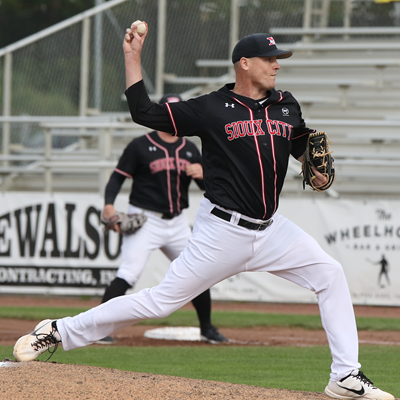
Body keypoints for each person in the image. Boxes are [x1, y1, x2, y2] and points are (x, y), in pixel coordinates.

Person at [13, 24, 394, 400]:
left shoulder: (286, 105)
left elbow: (302, 148)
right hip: (222, 231)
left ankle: (345, 376)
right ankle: (59, 331)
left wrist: (316, 169)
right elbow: (143, 111)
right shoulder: (212, 108)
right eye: (269, 59)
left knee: (330, 274)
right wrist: (132, 57)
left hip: (272, 229)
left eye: (279, 59)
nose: (277, 65)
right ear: (243, 63)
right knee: (160, 302)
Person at [97, 93, 227, 344]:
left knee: (198, 272)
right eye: (170, 112)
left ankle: (207, 329)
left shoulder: (189, 149)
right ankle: (99, 327)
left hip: (176, 222)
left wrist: (203, 174)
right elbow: (117, 178)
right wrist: (108, 205)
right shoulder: (139, 145)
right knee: (129, 272)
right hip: (145, 220)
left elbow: (208, 188)